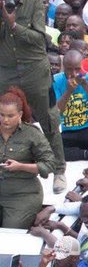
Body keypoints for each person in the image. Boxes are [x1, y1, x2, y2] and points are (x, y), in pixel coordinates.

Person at [0, 0, 64, 191]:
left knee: (48, 118)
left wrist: (14, 24)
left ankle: (59, 170)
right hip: (6, 70)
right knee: (5, 120)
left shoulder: (34, 2)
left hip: (34, 69)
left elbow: (39, 39)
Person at [0, 87, 55, 228]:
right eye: (1, 115)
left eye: (10, 116)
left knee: (11, 231)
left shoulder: (31, 134)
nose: (5, 120)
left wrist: (21, 166)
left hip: (23, 195)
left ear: (20, 114)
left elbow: (49, 164)